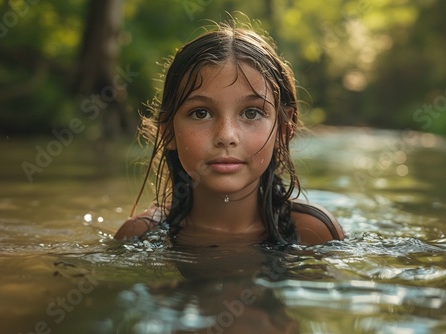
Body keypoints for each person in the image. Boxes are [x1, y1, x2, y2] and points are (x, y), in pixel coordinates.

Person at [114, 19, 344, 246]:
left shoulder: (314, 232)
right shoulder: (139, 235)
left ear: (283, 131)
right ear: (169, 132)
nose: (226, 135)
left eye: (251, 113)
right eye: (201, 113)